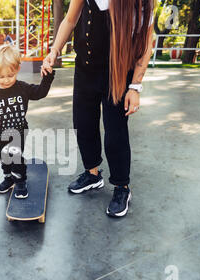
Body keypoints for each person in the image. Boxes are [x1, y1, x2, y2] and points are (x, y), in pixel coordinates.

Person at [41, 0, 154, 217]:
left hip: (118, 74)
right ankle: (92, 175)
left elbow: (146, 44)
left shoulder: (141, 3)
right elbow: (70, 19)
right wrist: (54, 50)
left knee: (115, 133)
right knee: (83, 124)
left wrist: (135, 87)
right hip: (85, 69)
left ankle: (122, 188)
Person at [0, 44, 55, 198]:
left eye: (10, 75)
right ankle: (8, 178)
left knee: (16, 156)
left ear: (17, 69)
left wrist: (47, 78)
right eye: (1, 76)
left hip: (18, 131)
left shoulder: (22, 88)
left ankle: (20, 181)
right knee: (3, 158)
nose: (6, 80)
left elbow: (40, 92)